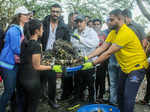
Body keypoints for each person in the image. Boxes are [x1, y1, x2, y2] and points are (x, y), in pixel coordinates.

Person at [82, 9, 148, 112]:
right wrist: (86, 58)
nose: (108, 22)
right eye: (108, 19)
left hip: (137, 68)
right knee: (120, 94)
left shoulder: (125, 32)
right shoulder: (113, 32)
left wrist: (92, 63)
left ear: (120, 19)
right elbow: (102, 48)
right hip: (125, 68)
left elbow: (108, 53)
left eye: (111, 20)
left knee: (128, 97)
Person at [17, 19, 62, 112]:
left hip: (21, 78)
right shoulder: (36, 45)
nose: (43, 30)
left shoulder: (24, 42)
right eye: (42, 28)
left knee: (24, 104)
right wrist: (52, 67)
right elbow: (37, 66)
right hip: (32, 81)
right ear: (37, 31)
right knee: (32, 106)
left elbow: (28, 59)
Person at [0, 6, 30, 112]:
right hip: (8, 64)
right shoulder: (14, 29)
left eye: (28, 14)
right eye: (25, 14)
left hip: (15, 63)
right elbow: (16, 48)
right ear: (19, 16)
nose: (28, 16)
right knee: (9, 90)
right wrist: (30, 54)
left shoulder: (21, 28)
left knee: (15, 89)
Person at [41, 3, 70, 108]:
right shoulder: (43, 23)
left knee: (52, 78)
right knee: (41, 76)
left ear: (60, 13)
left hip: (55, 55)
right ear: (50, 11)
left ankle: (52, 100)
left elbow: (67, 43)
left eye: (57, 12)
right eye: (53, 11)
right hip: (42, 52)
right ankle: (42, 95)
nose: (55, 14)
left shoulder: (64, 27)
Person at [71, 14, 99, 104]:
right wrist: (83, 43)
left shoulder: (91, 32)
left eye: (81, 22)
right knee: (78, 82)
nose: (79, 24)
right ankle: (77, 99)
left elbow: (94, 44)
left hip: (90, 62)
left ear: (85, 22)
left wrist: (80, 39)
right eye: (77, 22)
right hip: (78, 62)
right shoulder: (75, 31)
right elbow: (73, 44)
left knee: (90, 83)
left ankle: (92, 101)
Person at [93, 18, 108, 103]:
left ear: (101, 25)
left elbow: (106, 47)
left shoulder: (104, 35)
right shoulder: (90, 34)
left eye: (98, 24)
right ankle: (94, 96)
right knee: (94, 79)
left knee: (101, 79)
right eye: (94, 24)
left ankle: (101, 96)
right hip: (92, 59)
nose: (96, 26)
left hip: (102, 59)